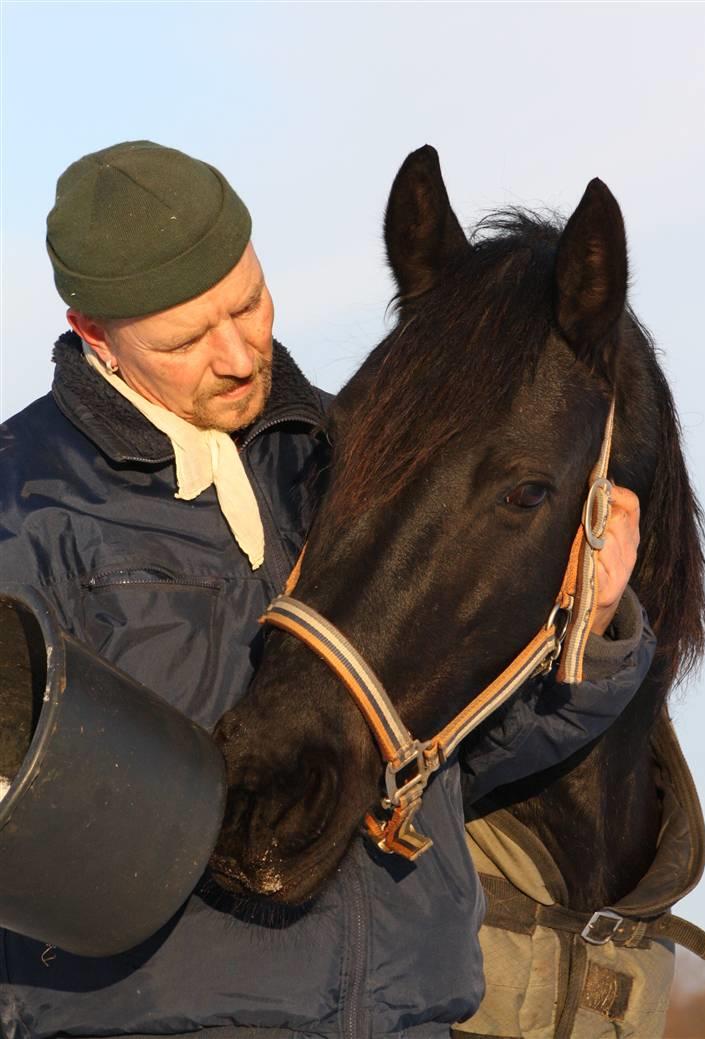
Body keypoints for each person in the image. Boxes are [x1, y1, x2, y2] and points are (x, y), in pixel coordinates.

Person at [0, 141, 652, 1039]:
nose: (237, 355)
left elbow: (450, 763)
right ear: (94, 332)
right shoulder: (25, 507)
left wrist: (597, 627)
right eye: (187, 340)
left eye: (248, 303)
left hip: (405, 1017)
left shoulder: (339, 463)